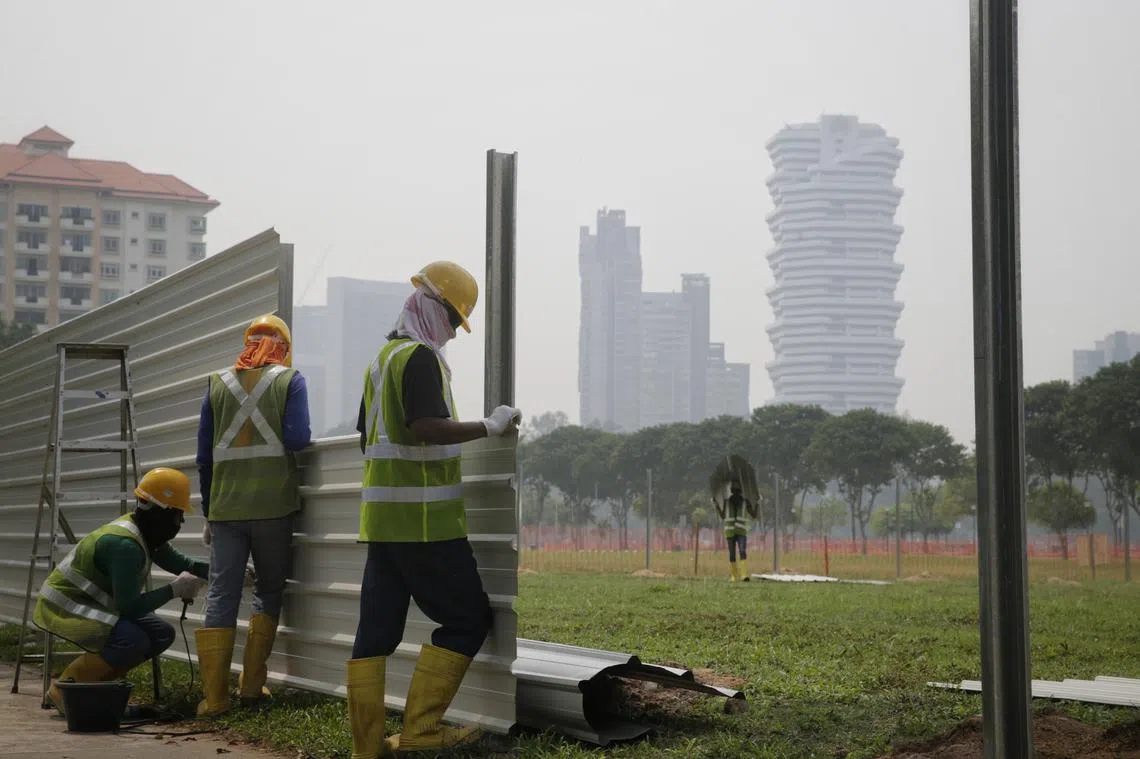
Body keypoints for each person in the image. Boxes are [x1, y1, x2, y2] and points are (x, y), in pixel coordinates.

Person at [346, 261, 521, 757]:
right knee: (467, 619)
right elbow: (425, 426)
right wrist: (488, 426)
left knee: (377, 632)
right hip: (425, 525)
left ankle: (367, 747)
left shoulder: (381, 360)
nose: (454, 333)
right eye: (453, 320)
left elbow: (368, 438)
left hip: (381, 523)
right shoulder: (419, 359)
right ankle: (421, 730)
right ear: (433, 306)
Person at [195, 314, 312, 717]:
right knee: (268, 590)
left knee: (222, 594)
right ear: (283, 345)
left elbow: (203, 458)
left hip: (226, 509)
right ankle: (250, 687)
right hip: (273, 507)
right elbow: (298, 438)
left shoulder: (217, 384)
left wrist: (209, 512)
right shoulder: (289, 380)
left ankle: (214, 698)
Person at [33, 467, 208, 714]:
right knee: (131, 640)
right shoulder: (125, 546)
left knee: (161, 633)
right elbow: (130, 607)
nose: (180, 523)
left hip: (93, 602)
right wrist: (174, 590)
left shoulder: (146, 533)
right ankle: (65, 691)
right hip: (65, 604)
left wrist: (227, 572)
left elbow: (185, 565)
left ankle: (98, 692)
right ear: (161, 513)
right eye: (178, 515)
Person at [718, 481, 756, 582]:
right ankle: (734, 576)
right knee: (732, 553)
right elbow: (722, 516)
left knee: (742, 551)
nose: (735, 493)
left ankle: (744, 575)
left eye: (737, 490)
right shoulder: (727, 502)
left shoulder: (745, 502)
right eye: (734, 490)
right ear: (732, 491)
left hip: (741, 532)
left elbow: (754, 514)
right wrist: (716, 505)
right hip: (730, 532)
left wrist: (757, 503)